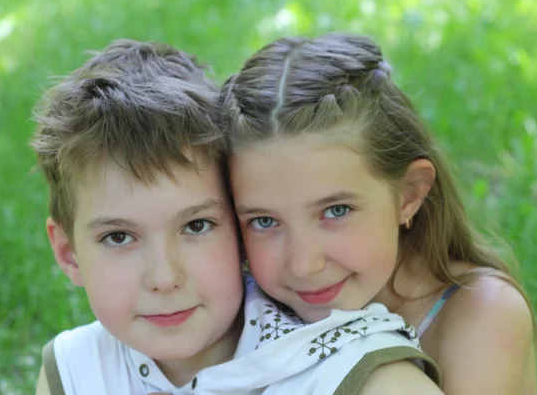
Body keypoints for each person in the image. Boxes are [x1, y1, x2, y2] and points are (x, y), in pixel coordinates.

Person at [31, 39, 441, 395]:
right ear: (69, 253)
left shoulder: (357, 373)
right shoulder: (74, 370)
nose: (164, 278)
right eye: (119, 237)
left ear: (241, 229)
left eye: (196, 226)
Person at [220, 33, 537, 394]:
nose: (303, 265)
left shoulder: (481, 314)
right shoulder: (244, 308)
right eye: (265, 221)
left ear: (408, 194)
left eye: (336, 211)